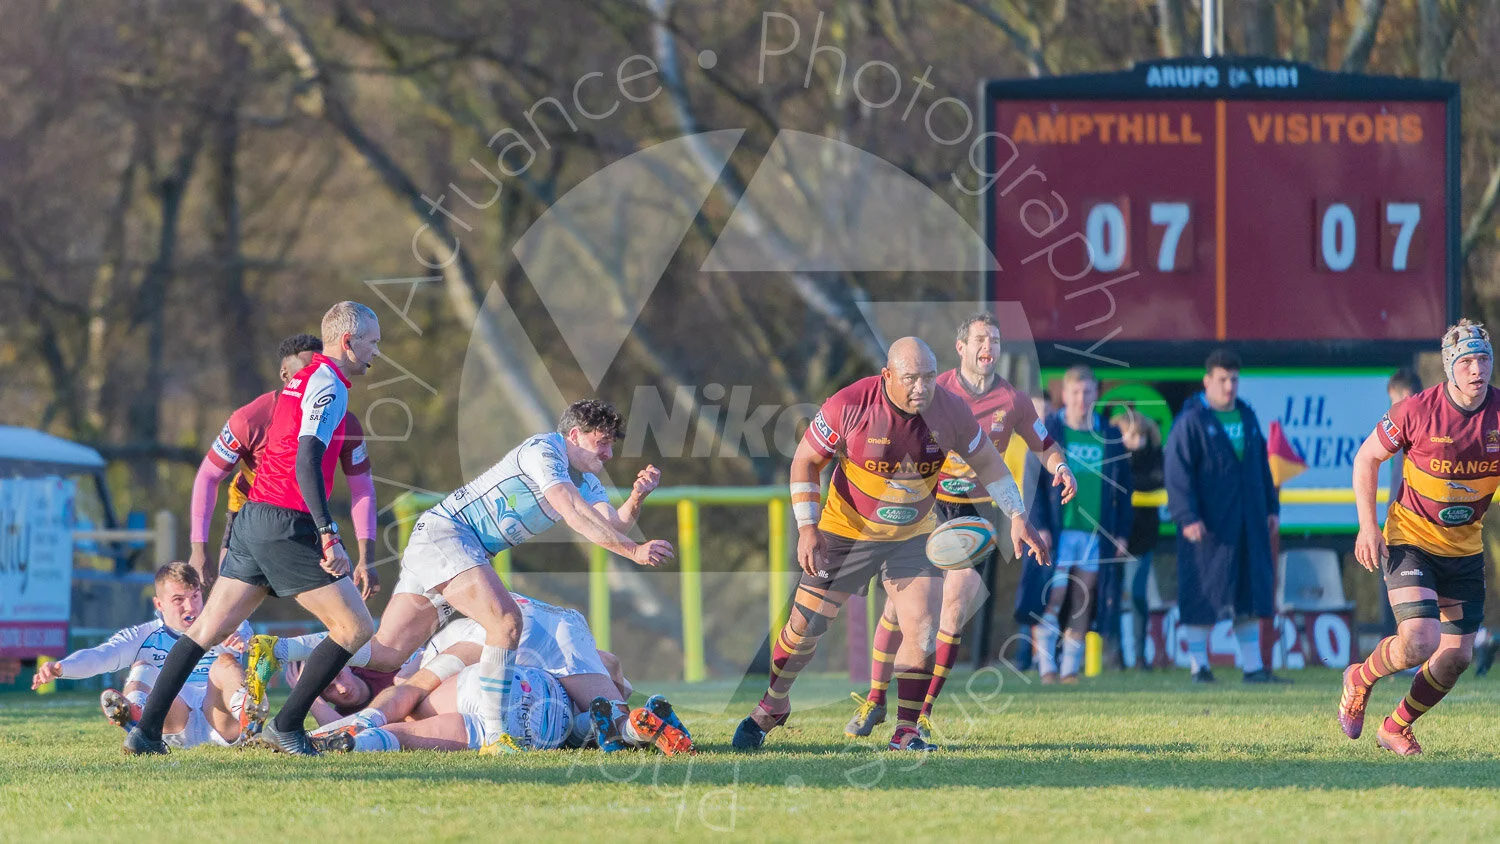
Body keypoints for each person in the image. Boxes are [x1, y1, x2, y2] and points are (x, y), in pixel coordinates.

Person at [247, 399, 673, 756]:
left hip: (447, 544)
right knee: (505, 622)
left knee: (387, 654)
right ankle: (496, 737)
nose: (608, 454)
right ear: (575, 435)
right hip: (450, 536)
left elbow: (609, 525)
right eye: (602, 443)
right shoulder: (545, 451)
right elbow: (572, 511)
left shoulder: (586, 479)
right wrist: (633, 551)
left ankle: (277, 650)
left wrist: (637, 497)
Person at [733, 337, 1050, 753]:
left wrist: (1018, 516)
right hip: (847, 529)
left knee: (922, 626)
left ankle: (906, 732)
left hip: (913, 534)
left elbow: (990, 463)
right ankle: (773, 705)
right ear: (887, 376)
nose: (922, 387)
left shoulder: (951, 411)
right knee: (804, 627)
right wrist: (807, 528)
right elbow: (805, 461)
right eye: (911, 378)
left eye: (929, 377)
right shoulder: (850, 404)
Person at [124, 301, 382, 756]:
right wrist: (328, 533)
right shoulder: (329, 384)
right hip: (287, 521)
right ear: (347, 342)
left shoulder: (299, 382)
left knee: (204, 630)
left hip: (253, 517)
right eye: (372, 343)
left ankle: (145, 735)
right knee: (355, 626)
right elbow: (306, 460)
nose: (376, 353)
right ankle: (287, 725)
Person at [846, 313, 1075, 739]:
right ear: (962, 348)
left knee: (953, 608)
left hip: (976, 511)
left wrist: (1060, 468)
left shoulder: (1013, 400)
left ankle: (922, 712)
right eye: (981, 339)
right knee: (898, 609)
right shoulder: (934, 390)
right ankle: (875, 699)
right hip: (926, 502)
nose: (989, 347)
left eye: (996, 340)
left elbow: (1044, 444)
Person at [1339, 319, 1499, 756]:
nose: (1477, 369)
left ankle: (1396, 727)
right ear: (1449, 368)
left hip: (1464, 549)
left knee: (1457, 658)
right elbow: (1366, 458)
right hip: (1411, 540)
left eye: (1484, 359)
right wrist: (1368, 526)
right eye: (1466, 361)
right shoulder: (1416, 411)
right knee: (1420, 640)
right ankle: (1360, 677)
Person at [188, 334, 379, 597]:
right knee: (227, 607)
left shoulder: (345, 422)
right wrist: (198, 548)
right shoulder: (250, 419)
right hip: (250, 516)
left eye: (319, 370)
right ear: (285, 374)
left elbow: (362, 490)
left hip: (308, 519)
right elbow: (208, 476)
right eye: (305, 371)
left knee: (348, 599)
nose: (312, 378)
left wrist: (366, 557)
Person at [33, 562, 253, 748]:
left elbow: (249, 639)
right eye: (178, 600)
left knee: (225, 662)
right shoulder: (144, 635)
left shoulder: (227, 624)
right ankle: (136, 716)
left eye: (195, 596)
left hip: (221, 720)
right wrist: (62, 668)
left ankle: (250, 718)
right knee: (143, 665)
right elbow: (102, 656)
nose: (191, 607)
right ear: (159, 604)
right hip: (174, 720)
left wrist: (242, 641)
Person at [1164, 348, 1286, 684]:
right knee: (1202, 593)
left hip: (1249, 522)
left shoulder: (1246, 416)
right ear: (1207, 381)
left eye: (1233, 379)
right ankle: (1199, 667)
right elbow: (1177, 474)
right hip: (1208, 525)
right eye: (1222, 379)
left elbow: (1261, 468)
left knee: (1249, 593)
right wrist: (1186, 516)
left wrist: (1271, 508)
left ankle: (1253, 668)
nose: (1229, 386)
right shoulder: (1190, 421)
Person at [1025, 365, 1133, 683]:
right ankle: (1046, 667)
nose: (1082, 399)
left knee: (1083, 599)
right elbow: (1031, 483)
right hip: (1059, 532)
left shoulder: (1109, 435)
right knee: (1053, 596)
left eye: (1088, 392)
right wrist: (1040, 524)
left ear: (1096, 394)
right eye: (1076, 392)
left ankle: (1070, 668)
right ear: (1065, 394)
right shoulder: (1049, 432)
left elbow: (1125, 488)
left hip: (1093, 532)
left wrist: (1121, 532)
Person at [1113, 407, 1164, 669]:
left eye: (1140, 435)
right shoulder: (1112, 457)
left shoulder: (1155, 457)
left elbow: (1157, 480)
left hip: (1142, 537)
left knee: (1136, 594)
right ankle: (1115, 655)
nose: (1136, 441)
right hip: (1112, 536)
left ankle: (1140, 656)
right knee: (1110, 596)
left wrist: (1131, 480)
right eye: (1130, 435)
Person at [1379, 368, 1422, 638]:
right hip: (1405, 524)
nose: (1391, 408)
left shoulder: (1416, 428)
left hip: (1413, 528)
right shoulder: (1404, 430)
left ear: (1405, 396)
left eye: (1393, 401)